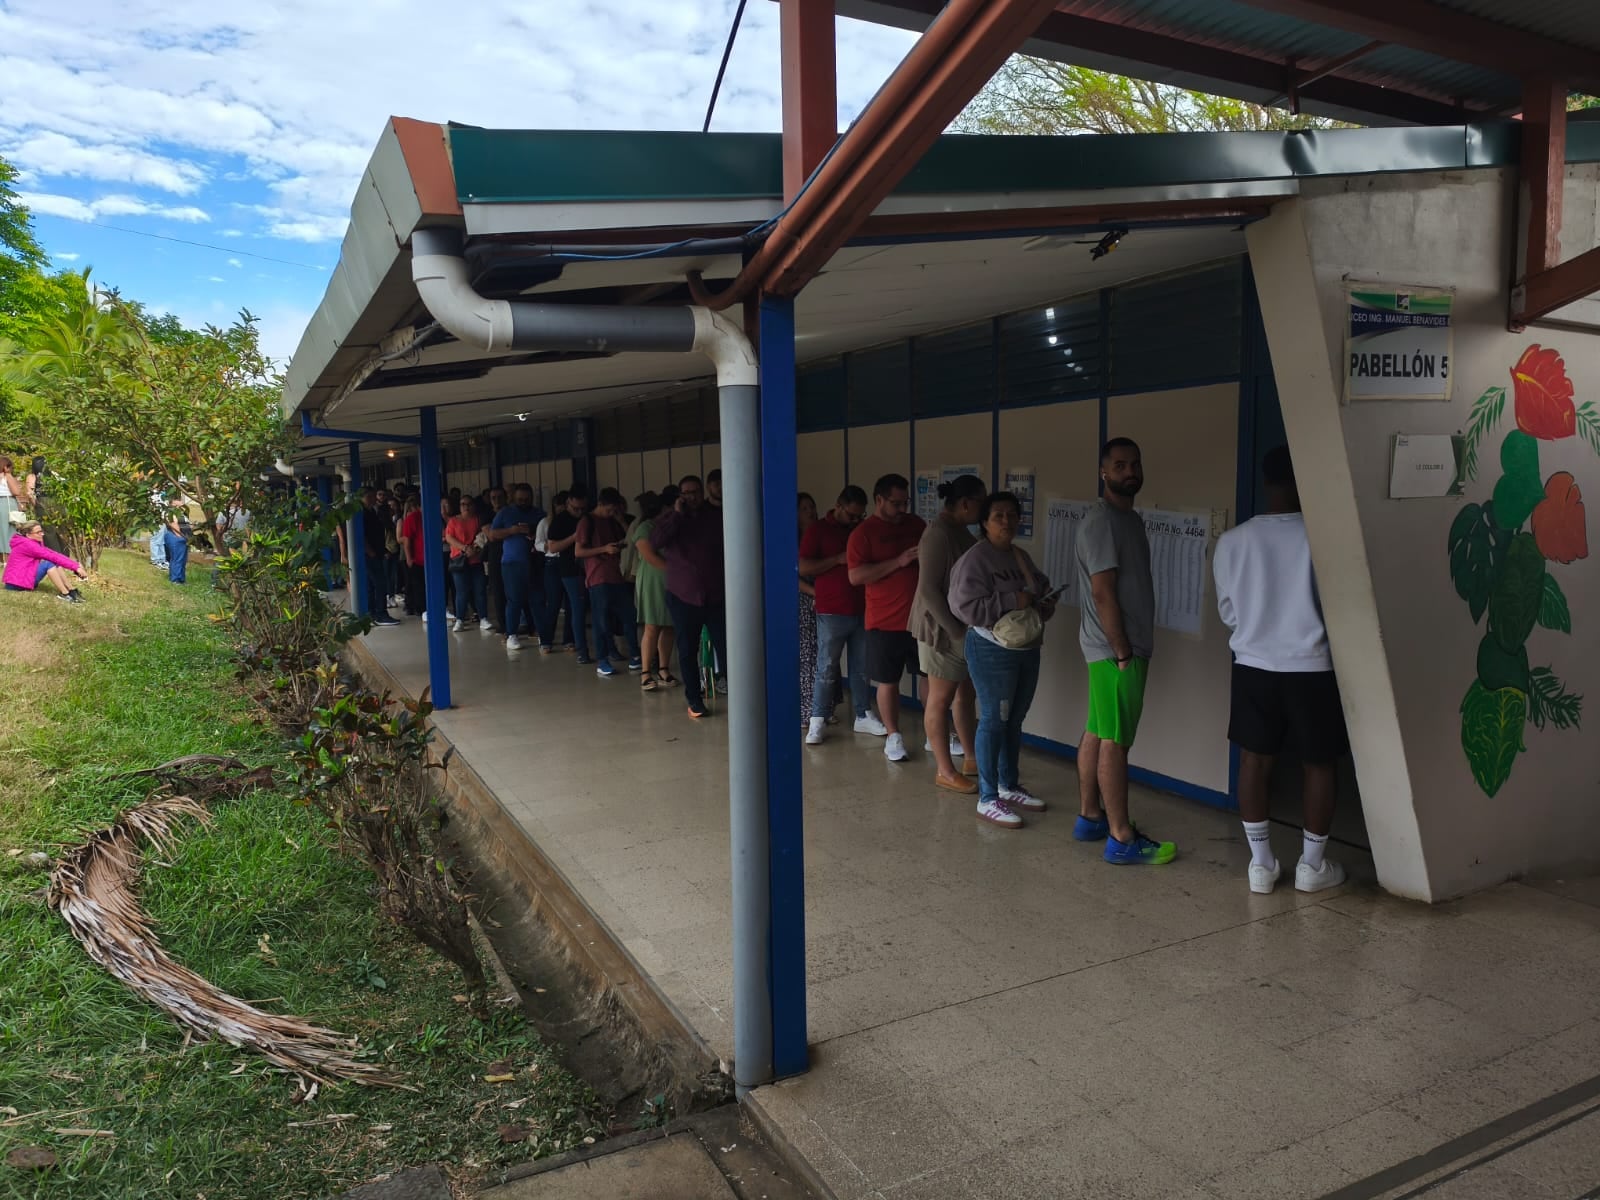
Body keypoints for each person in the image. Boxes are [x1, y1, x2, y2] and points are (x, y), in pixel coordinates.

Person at [1215, 445, 1348, 895]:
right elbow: (1340, 611)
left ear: (1266, 482)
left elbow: (1229, 613)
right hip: (1315, 667)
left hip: (1254, 665)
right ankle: (1312, 866)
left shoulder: (1233, 541)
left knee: (1255, 759)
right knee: (1319, 763)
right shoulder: (1325, 538)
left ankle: (1261, 864)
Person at [1075, 438, 1175, 866]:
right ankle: (1121, 838)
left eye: (1134, 464)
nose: (1129, 471)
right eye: (1119, 465)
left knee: (1098, 730)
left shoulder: (1128, 518)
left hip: (1114, 647)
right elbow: (1103, 591)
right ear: (1103, 472)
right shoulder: (1101, 522)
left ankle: (1090, 817)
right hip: (1116, 648)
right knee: (1116, 742)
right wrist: (1121, 650)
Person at [949, 492, 1055, 827]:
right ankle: (987, 796)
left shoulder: (1020, 556)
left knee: (1015, 719)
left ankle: (1009, 785)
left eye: (1012, 515)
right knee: (995, 719)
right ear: (984, 522)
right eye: (998, 516)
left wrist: (1044, 601)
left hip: (1027, 647)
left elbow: (1039, 586)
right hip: (991, 648)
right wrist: (1013, 599)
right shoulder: (975, 559)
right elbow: (964, 606)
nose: (1006, 522)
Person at [910, 474, 984, 792]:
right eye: (981, 502)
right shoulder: (938, 534)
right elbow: (927, 589)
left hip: (961, 629)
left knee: (966, 694)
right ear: (965, 503)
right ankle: (944, 769)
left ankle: (971, 757)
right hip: (940, 629)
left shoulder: (962, 532)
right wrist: (955, 631)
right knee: (940, 699)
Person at [846, 474, 925, 762]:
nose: (902, 509)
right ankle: (893, 736)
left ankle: (934, 733)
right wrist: (899, 561)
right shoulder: (862, 534)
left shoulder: (916, 525)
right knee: (887, 680)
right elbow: (856, 576)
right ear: (879, 500)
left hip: (920, 618)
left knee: (930, 675)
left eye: (905, 502)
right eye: (895, 503)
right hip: (884, 620)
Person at [801, 486, 878, 743]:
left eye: (860, 515)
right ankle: (818, 720)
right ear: (838, 506)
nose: (856, 520)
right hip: (831, 611)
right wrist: (837, 559)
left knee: (861, 668)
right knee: (827, 667)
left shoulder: (863, 530)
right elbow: (802, 565)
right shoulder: (818, 530)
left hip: (863, 608)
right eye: (851, 515)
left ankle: (863, 715)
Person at [650, 474, 727, 720]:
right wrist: (677, 515)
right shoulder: (671, 519)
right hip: (683, 597)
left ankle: (736, 692)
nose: (691, 496)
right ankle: (694, 700)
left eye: (695, 492)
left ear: (702, 493)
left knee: (727, 647)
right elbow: (656, 541)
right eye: (686, 492)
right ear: (679, 495)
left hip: (715, 596)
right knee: (687, 650)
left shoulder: (714, 516)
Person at [577, 487, 642, 678]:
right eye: (610, 509)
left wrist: (620, 520)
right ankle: (602, 659)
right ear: (601, 504)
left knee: (629, 616)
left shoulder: (611, 520)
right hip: (598, 577)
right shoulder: (586, 521)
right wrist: (603, 549)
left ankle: (635, 655)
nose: (612, 513)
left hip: (617, 576)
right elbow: (579, 551)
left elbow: (628, 537)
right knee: (601, 621)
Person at [490, 484, 544, 654]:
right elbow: (492, 534)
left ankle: (542, 633)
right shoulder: (505, 513)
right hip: (511, 563)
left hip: (534, 562)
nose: (523, 502)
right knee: (514, 600)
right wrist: (511, 530)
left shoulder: (539, 514)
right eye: (520, 499)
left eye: (526, 500)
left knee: (537, 599)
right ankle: (511, 634)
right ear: (514, 498)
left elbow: (548, 534)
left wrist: (534, 534)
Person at [632, 491, 677, 691]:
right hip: (652, 582)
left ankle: (663, 669)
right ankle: (645, 673)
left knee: (669, 626)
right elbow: (650, 556)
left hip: (673, 582)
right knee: (652, 626)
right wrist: (679, 570)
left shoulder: (672, 526)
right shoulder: (645, 527)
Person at [4, 520, 87, 602]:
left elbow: (54, 554)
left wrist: (75, 565)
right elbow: (51, 556)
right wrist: (75, 567)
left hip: (19, 580)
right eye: (38, 532)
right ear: (28, 535)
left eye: (41, 531)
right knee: (48, 563)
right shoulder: (28, 545)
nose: (42, 534)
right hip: (16, 584)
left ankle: (71, 590)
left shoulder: (31, 542)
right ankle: (64, 594)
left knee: (54, 561)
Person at [536, 490, 575, 656]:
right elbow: (537, 543)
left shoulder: (573, 522)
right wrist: (549, 547)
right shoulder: (545, 522)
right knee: (553, 602)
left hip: (570, 563)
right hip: (552, 562)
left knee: (570, 604)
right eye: (557, 507)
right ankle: (546, 640)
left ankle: (569, 639)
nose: (560, 510)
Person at [444, 495, 490, 633]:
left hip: (476, 560)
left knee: (480, 590)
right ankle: (460, 619)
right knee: (461, 592)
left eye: (468, 504)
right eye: (462, 504)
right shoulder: (453, 521)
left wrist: (474, 549)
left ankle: (483, 618)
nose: (466, 506)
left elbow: (483, 536)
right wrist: (464, 548)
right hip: (459, 560)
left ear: (473, 505)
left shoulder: (478, 520)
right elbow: (449, 537)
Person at [797, 493, 820, 729]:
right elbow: (790, 575)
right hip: (803, 601)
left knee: (823, 654)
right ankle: (806, 710)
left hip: (823, 600)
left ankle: (823, 708)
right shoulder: (792, 539)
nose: (810, 511)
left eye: (812, 507)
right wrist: (815, 593)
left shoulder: (820, 535)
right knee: (807, 656)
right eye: (804, 508)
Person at [360, 488, 400, 625]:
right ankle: (380, 613)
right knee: (379, 583)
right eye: (369, 496)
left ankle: (372, 613)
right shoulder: (361, 513)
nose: (372, 499)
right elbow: (362, 535)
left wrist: (382, 550)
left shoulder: (372, 511)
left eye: (373, 496)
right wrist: (370, 552)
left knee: (372, 584)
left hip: (377, 551)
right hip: (370, 554)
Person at [483, 485, 509, 634]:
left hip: (512, 556)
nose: (497, 500)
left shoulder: (511, 512)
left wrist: (501, 532)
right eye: (493, 498)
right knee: (498, 592)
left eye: (500, 497)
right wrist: (510, 532)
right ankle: (503, 625)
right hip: (495, 557)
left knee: (514, 592)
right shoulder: (486, 515)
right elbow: (491, 535)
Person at [399, 495, 426, 616]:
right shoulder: (412, 518)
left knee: (420, 585)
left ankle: (422, 608)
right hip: (418, 559)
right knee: (417, 585)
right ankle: (420, 609)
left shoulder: (431, 516)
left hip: (426, 559)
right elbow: (406, 540)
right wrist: (409, 558)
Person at [0, 457, 25, 563]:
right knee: (9, 530)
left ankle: (2, 559)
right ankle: (9, 558)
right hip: (7, 503)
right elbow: (16, 491)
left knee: (2, 531)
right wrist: (9, 475)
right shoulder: (6, 477)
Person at [163, 511, 190, 585]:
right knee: (177, 559)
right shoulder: (171, 512)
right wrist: (180, 536)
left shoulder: (180, 512)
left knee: (182, 560)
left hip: (182, 538)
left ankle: (181, 579)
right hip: (176, 537)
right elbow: (173, 524)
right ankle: (175, 579)